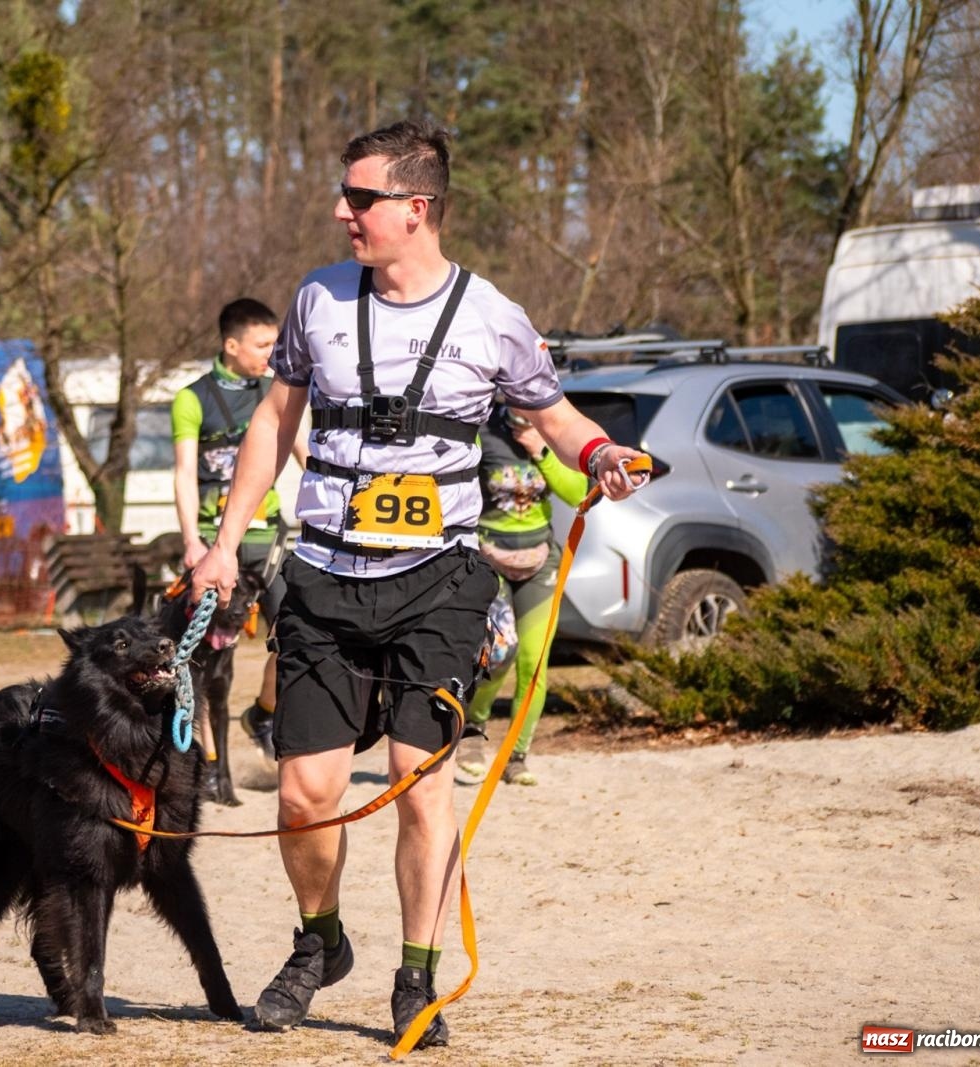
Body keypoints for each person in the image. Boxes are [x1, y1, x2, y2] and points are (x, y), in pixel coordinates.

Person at [190, 119, 646, 1047]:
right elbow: (273, 426)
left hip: (439, 581)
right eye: (345, 195)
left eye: (359, 198)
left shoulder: (493, 316)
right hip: (321, 574)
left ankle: (416, 972)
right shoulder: (317, 300)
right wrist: (225, 542)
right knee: (304, 793)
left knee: (415, 777)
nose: (341, 211)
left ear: (415, 208)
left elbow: (552, 416)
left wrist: (600, 453)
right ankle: (320, 942)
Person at [172, 298, 304, 772]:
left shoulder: (277, 390)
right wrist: (191, 539)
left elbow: (302, 452)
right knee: (206, 656)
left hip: (268, 540)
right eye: (262, 344)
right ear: (231, 345)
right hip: (213, 541)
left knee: (295, 633)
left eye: (275, 343)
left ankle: (264, 714)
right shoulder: (192, 399)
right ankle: (207, 761)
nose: (273, 353)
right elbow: (186, 472)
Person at [454, 405, 588, 787]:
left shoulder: (556, 431)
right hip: (489, 560)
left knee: (534, 662)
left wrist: (541, 451)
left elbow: (578, 492)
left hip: (540, 561)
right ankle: (473, 731)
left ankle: (517, 756)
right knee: (499, 652)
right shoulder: (484, 431)